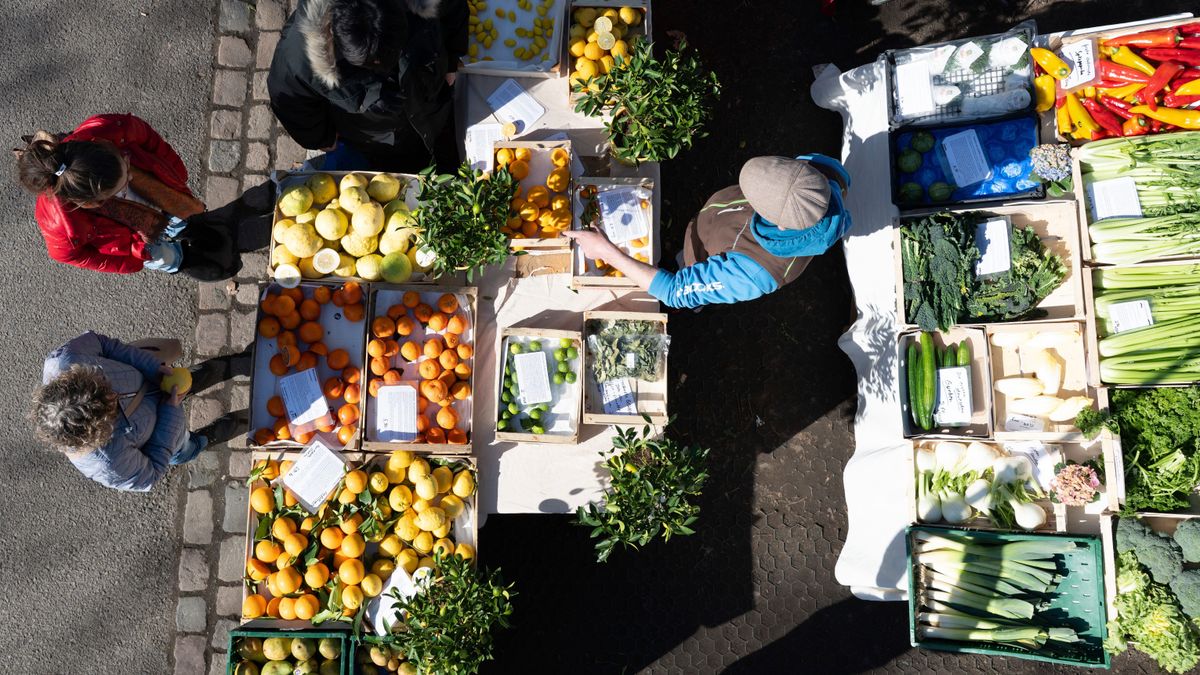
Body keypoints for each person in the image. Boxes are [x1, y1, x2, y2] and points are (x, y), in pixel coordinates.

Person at [564, 155, 852, 309]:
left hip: (710, 258)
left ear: (779, 224)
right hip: (717, 225)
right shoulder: (817, 174)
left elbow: (676, 291)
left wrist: (605, 252)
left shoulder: (755, 272)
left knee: (689, 271)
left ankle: (687, 264)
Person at [14, 114, 239, 279]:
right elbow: (74, 256)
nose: (130, 175)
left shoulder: (108, 129)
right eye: (121, 187)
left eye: (126, 164)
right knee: (161, 255)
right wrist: (130, 262)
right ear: (94, 203)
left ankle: (192, 230)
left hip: (158, 196)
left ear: (105, 147)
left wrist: (175, 171)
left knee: (181, 216)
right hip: (133, 240)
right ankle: (183, 260)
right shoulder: (60, 228)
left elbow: (145, 136)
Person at [268, 0, 468, 172]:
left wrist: (451, 59)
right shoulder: (300, 56)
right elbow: (289, 100)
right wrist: (322, 137)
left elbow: (454, 8)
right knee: (399, 165)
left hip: (430, 98)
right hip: (378, 138)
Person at [32, 332, 210, 492]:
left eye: (102, 383)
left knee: (186, 362)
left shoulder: (66, 360)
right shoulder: (108, 464)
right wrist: (171, 412)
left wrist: (152, 367)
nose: (115, 393)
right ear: (97, 433)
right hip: (172, 436)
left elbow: (103, 344)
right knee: (188, 448)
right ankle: (198, 445)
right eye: (111, 404)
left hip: (154, 382)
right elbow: (152, 472)